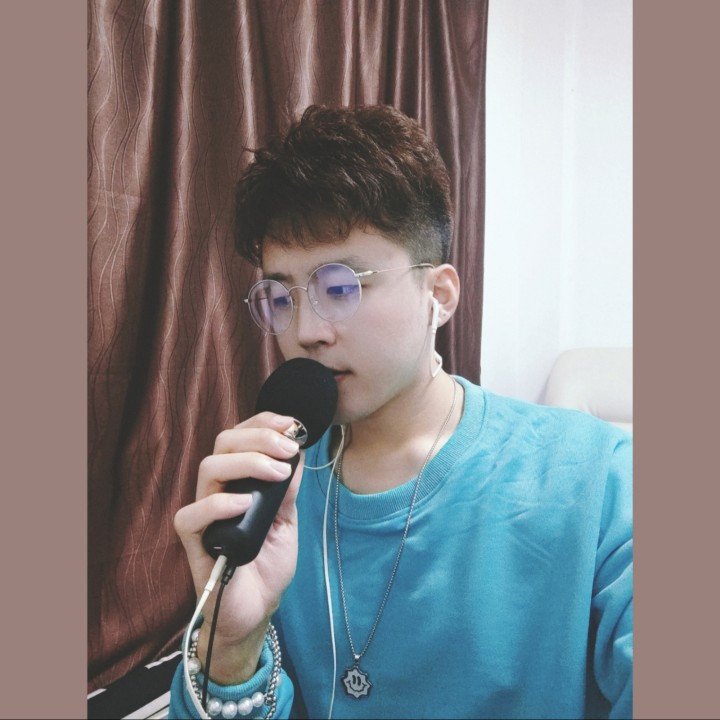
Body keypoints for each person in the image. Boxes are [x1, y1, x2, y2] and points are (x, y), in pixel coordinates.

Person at [169, 105, 632, 719]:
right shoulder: (269, 490)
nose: (305, 331)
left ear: (438, 295)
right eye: (281, 297)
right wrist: (230, 647)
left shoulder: (599, 476)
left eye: (341, 288)